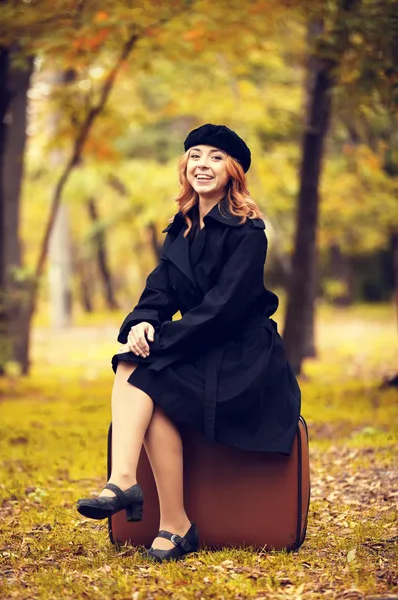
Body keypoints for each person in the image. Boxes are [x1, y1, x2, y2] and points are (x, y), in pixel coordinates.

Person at [76, 123, 301, 563]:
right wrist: (143, 323)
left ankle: (153, 506)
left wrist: (162, 339)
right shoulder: (179, 228)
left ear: (233, 171)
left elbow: (225, 309)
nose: (203, 164)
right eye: (196, 154)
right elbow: (158, 292)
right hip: (199, 345)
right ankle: (147, 500)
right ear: (185, 166)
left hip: (241, 356)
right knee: (133, 363)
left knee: (140, 371)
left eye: (216, 157)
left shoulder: (247, 231)